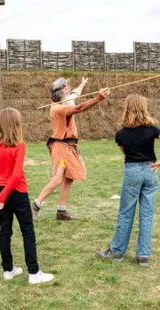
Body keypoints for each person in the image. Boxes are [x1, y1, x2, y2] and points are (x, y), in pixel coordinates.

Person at [96, 94, 160, 267]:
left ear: (127, 108)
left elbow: (124, 152)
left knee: (126, 213)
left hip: (132, 171)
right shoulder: (153, 129)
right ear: (144, 108)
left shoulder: (121, 134)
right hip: (150, 171)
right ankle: (143, 256)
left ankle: (117, 252)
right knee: (147, 215)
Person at [31, 78, 111, 220]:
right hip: (62, 147)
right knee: (57, 179)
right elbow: (79, 108)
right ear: (61, 92)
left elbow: (75, 94)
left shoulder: (64, 101)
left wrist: (82, 84)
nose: (70, 90)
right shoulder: (59, 108)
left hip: (67, 147)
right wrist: (98, 99)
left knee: (69, 178)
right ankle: (35, 206)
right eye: (67, 88)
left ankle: (61, 211)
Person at [0, 108, 54, 284]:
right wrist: (2, 197)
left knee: (5, 231)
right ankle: (33, 273)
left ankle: (8, 270)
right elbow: (16, 175)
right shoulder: (19, 145)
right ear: (17, 124)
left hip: (2, 192)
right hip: (16, 192)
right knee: (27, 231)